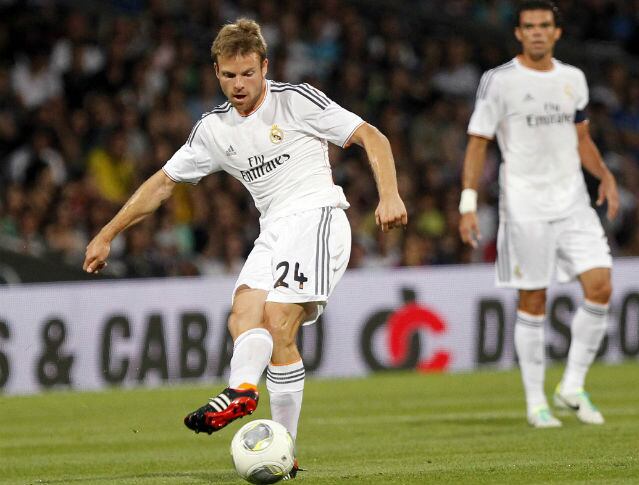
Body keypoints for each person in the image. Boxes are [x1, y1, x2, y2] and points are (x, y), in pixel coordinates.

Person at [83, 18, 407, 474]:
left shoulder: (295, 101)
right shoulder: (213, 130)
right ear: (216, 72)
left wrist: (389, 193)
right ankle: (241, 392)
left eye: (248, 74)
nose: (239, 84)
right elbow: (161, 184)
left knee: (278, 321)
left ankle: (285, 449)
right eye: (229, 75)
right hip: (273, 229)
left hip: (317, 215)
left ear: (265, 67)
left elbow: (371, 135)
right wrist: (107, 233)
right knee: (243, 314)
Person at [458, 1, 619, 428]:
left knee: (600, 285)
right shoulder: (499, 82)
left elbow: (581, 137)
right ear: (518, 33)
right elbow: (478, 142)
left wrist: (604, 174)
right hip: (524, 204)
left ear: (557, 33)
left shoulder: (573, 79)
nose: (536, 33)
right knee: (534, 299)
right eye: (529, 26)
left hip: (573, 203)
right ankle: (536, 403)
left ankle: (571, 386)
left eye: (544, 26)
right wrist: (468, 203)